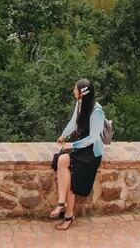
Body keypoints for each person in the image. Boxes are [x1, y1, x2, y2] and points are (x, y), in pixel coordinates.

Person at [48, 79, 104, 231]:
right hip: (79, 143)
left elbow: (92, 138)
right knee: (61, 160)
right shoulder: (80, 103)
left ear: (82, 93)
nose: (73, 90)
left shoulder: (97, 111)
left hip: (91, 150)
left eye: (75, 89)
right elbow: (74, 122)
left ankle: (69, 215)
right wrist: (63, 136)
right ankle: (61, 203)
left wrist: (71, 145)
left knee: (72, 172)